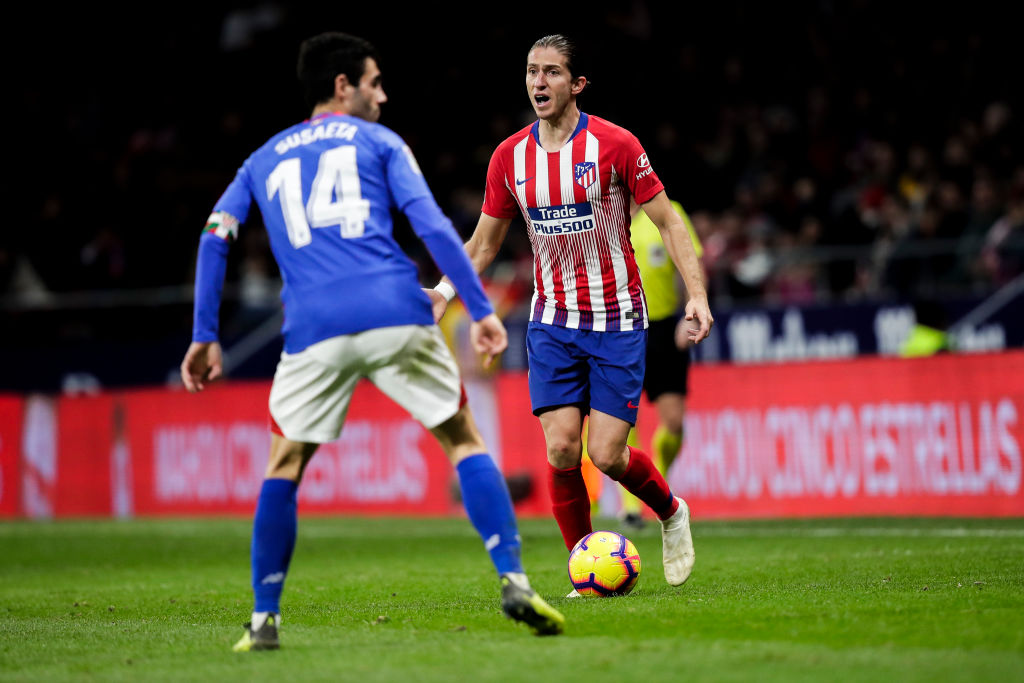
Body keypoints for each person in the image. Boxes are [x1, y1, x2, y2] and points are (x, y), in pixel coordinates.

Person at [180, 32, 564, 652]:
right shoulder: (381, 142)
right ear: (342, 86)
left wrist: (204, 336)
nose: (383, 96)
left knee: (285, 464)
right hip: (396, 314)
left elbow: (214, 236)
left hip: (311, 330)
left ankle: (263, 621)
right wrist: (478, 306)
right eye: (375, 82)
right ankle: (514, 579)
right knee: (463, 440)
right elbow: (433, 226)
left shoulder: (261, 159)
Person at [430, 35, 713, 594]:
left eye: (552, 73)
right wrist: (441, 292)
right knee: (561, 448)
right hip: (553, 320)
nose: (538, 82)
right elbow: (483, 244)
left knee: (605, 454)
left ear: (577, 84)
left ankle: (671, 510)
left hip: (617, 318)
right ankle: (583, 571)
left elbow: (670, 223)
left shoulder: (616, 145)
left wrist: (696, 295)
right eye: (532, 72)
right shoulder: (510, 157)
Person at [616, 199, 703, 530]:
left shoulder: (668, 212)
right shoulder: (604, 212)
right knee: (621, 419)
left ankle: (657, 482)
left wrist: (692, 310)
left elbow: (691, 262)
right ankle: (631, 506)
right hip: (619, 329)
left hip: (665, 328)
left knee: (674, 422)